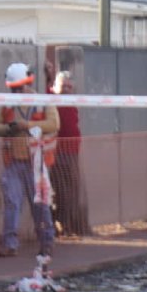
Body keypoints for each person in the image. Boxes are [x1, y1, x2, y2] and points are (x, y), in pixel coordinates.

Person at [0, 62, 59, 257]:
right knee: (12, 202)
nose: (15, 91)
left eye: (17, 87)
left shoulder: (42, 101)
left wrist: (27, 124)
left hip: (36, 161)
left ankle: (46, 242)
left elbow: (54, 123)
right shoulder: (8, 104)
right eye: (13, 88)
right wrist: (8, 129)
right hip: (14, 162)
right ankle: (9, 244)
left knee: (41, 204)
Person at [46, 64, 90, 237]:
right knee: (57, 191)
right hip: (55, 152)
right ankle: (55, 225)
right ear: (54, 87)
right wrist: (48, 73)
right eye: (63, 86)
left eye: (69, 87)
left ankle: (66, 225)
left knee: (71, 192)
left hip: (71, 152)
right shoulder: (49, 97)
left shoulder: (72, 100)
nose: (66, 90)